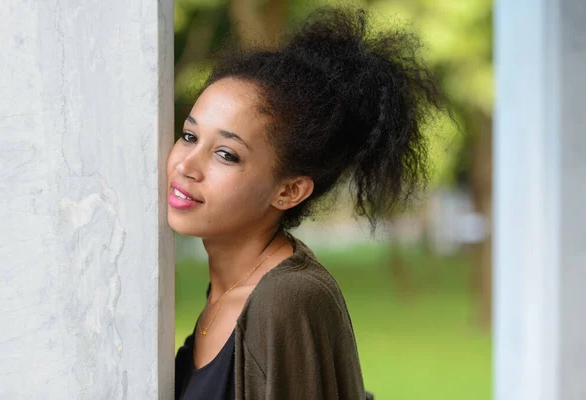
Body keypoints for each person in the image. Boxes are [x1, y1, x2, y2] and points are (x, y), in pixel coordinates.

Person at [169, 6, 445, 400]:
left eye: (226, 154)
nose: (186, 165)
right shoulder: (228, 289)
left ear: (289, 190)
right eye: (190, 136)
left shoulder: (286, 300)